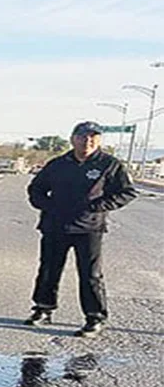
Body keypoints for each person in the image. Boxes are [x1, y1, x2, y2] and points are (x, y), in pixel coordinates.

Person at [25, 121, 137, 337]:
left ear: (99, 140)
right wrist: (48, 206)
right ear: (73, 139)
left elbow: (126, 192)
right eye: (83, 136)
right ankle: (43, 309)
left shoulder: (109, 164)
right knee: (48, 269)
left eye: (93, 137)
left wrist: (99, 206)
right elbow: (36, 189)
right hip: (55, 226)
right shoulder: (58, 164)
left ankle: (94, 318)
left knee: (90, 275)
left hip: (89, 228)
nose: (88, 141)